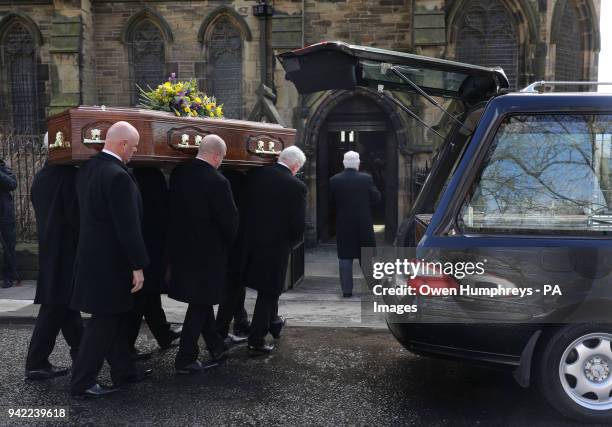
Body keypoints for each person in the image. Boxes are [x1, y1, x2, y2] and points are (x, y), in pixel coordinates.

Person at [70, 121, 151, 399]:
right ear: (122, 144)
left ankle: (124, 370)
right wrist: (137, 264)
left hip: (92, 258)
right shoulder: (118, 176)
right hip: (111, 262)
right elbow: (127, 226)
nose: (135, 152)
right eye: (135, 146)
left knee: (114, 316)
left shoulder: (88, 169)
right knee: (103, 321)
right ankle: (82, 382)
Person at [168, 134, 238, 374]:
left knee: (202, 299)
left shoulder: (179, 173)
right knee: (200, 304)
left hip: (181, 249)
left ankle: (216, 346)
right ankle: (186, 358)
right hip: (208, 254)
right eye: (223, 158)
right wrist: (230, 244)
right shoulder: (218, 181)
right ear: (216, 155)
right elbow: (229, 221)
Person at [25, 133, 83, 380]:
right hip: (66, 250)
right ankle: (36, 363)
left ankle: (81, 353)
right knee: (55, 308)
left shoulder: (42, 175)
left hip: (51, 247)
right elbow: (76, 219)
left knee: (65, 305)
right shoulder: (69, 176)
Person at [242, 146, 307, 355]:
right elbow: (298, 223)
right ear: (295, 166)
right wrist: (293, 243)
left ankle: (274, 323)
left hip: (249, 242)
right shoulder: (295, 185)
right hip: (276, 247)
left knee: (252, 287)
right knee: (268, 292)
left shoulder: (255, 175)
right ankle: (256, 340)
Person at [127, 167, 181, 360]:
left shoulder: (138, 173)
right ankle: (127, 347)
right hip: (151, 241)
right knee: (141, 296)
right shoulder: (150, 175)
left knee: (149, 294)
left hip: (149, 239)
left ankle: (162, 333)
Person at [330, 151, 381, 297]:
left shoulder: (334, 180)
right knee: (366, 257)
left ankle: (347, 291)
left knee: (345, 257)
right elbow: (377, 198)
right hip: (363, 223)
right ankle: (373, 287)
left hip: (343, 224)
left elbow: (330, 202)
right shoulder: (366, 178)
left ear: (344, 163)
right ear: (358, 163)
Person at [215, 169, 251, 343]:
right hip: (235, 239)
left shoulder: (223, 175)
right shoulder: (232, 180)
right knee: (233, 286)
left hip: (230, 240)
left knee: (236, 285)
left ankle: (241, 321)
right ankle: (220, 331)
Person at [0, 158, 18, 288]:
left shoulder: (3, 168)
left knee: (9, 246)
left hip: (5, 214)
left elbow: (12, 184)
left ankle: (9, 276)